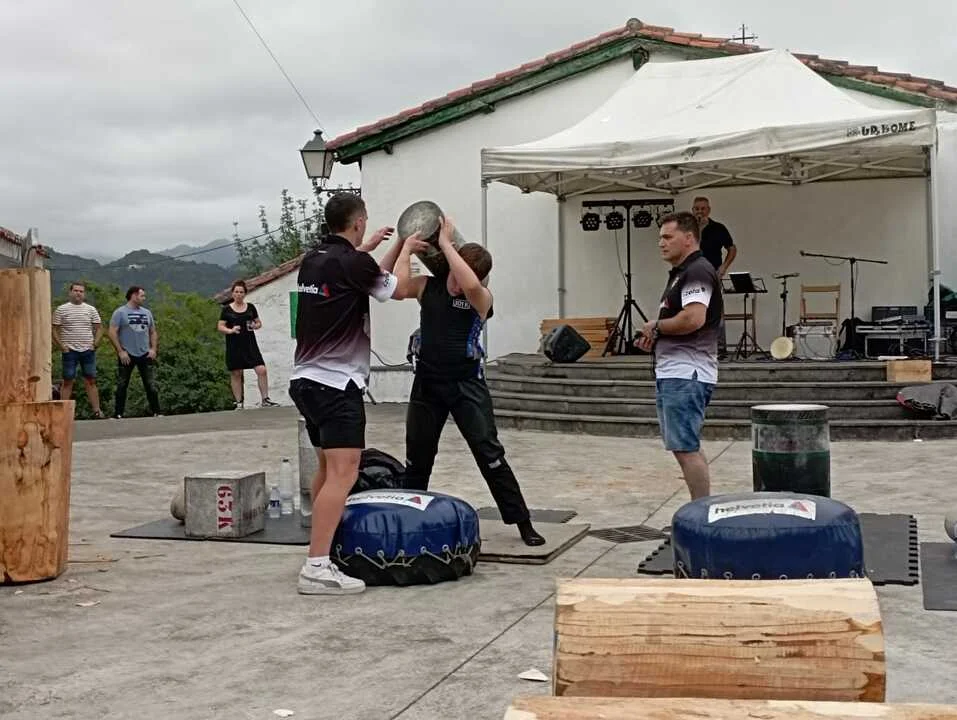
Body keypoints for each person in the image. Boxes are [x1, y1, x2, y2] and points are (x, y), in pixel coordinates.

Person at [384, 215, 545, 547]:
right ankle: (407, 522)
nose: (457, 285)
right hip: (428, 384)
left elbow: (470, 286)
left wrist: (446, 244)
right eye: (453, 277)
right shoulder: (428, 286)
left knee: (489, 454)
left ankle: (522, 521)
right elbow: (397, 289)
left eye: (464, 278)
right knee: (418, 455)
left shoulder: (480, 297)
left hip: (466, 385)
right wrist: (405, 248)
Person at [288, 192, 420, 596]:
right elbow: (399, 289)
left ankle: (321, 547)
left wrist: (386, 246)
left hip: (305, 381)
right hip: (337, 385)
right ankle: (316, 567)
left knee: (326, 471)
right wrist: (409, 249)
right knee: (344, 475)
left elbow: (364, 275)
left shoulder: (315, 259)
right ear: (359, 222)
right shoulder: (353, 263)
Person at [635, 212, 722, 501]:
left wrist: (656, 327)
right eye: (660, 238)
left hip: (687, 372)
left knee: (686, 448)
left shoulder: (697, 271)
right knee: (685, 446)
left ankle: (701, 513)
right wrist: (657, 337)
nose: (661, 243)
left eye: (667, 237)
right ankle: (701, 509)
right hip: (677, 370)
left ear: (688, 238)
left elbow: (693, 318)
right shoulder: (683, 273)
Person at [217, 280, 279, 409]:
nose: (239, 294)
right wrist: (231, 330)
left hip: (250, 344)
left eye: (241, 292)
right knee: (236, 373)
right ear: (232, 293)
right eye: (236, 292)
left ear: (245, 294)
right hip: (234, 345)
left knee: (261, 370)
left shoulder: (250, 307)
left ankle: (265, 399)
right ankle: (239, 402)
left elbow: (258, 322)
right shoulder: (227, 310)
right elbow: (220, 326)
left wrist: (256, 325)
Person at [691, 196, 736, 359]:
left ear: (708, 210)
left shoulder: (718, 228)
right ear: (692, 210)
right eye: (697, 209)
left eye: (703, 208)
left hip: (712, 273)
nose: (700, 212)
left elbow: (732, 248)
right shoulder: (688, 229)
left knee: (715, 310)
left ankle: (719, 348)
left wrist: (723, 267)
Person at [52, 281, 104, 418]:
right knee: (68, 381)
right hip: (70, 350)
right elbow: (54, 330)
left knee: (91, 380)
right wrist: (61, 346)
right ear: (70, 292)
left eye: (81, 291)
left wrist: (95, 344)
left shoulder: (90, 309)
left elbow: (99, 328)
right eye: (76, 291)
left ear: (84, 294)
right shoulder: (61, 309)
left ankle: (97, 411)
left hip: (87, 350)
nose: (78, 293)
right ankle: (63, 413)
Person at [108, 286, 161, 418]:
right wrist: (120, 351)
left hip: (145, 353)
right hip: (127, 353)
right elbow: (112, 332)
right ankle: (118, 414)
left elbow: (153, 332)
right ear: (134, 296)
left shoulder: (147, 313)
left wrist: (153, 349)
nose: (144, 298)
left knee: (150, 384)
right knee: (122, 384)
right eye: (142, 296)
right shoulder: (120, 312)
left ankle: (157, 411)